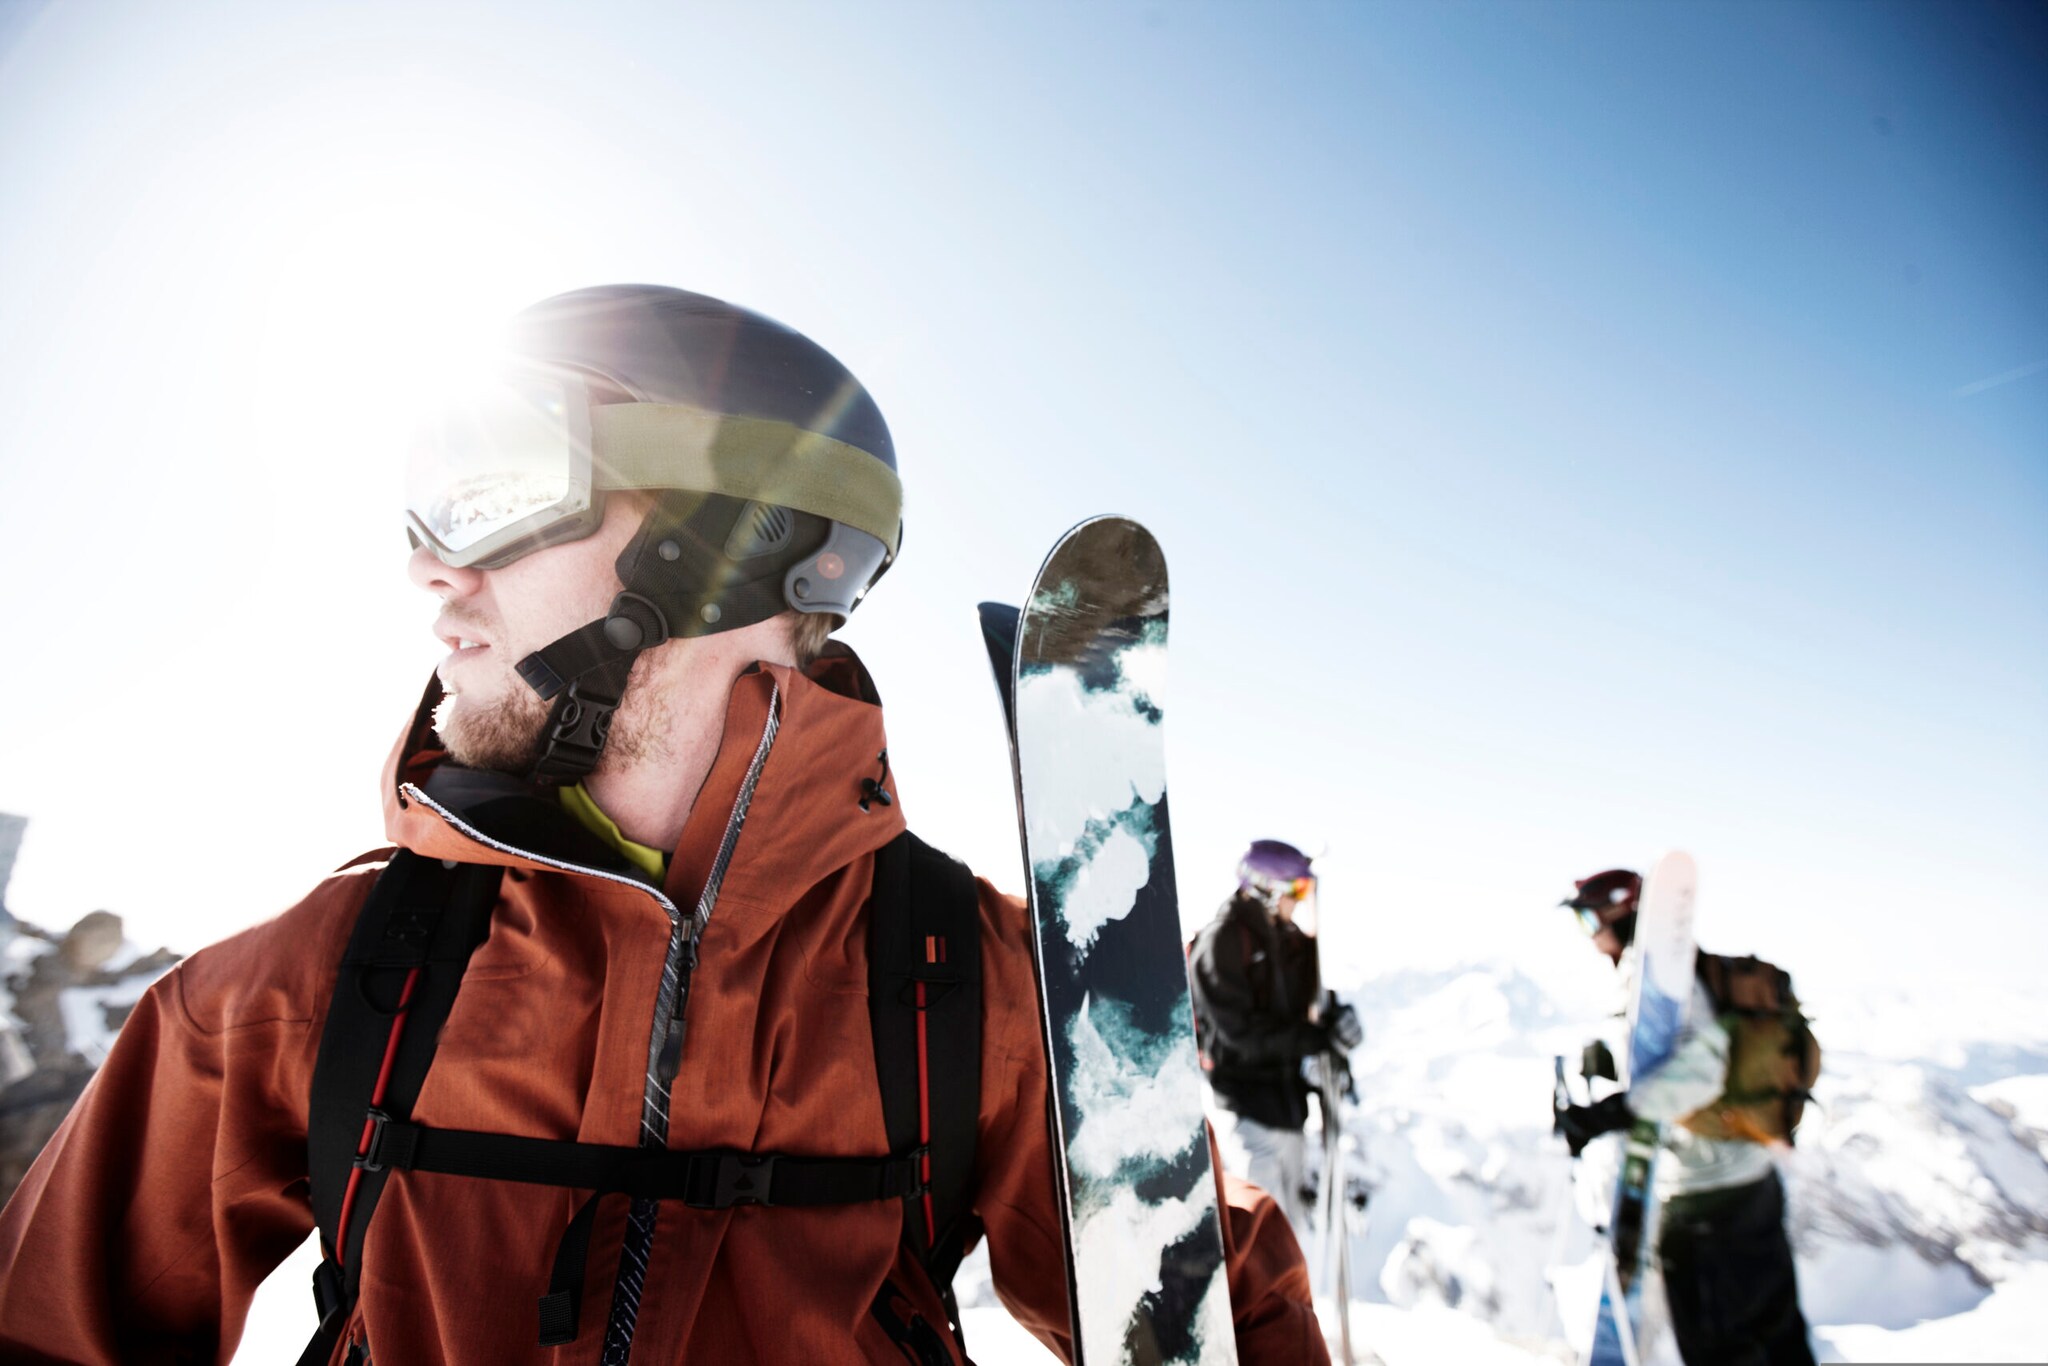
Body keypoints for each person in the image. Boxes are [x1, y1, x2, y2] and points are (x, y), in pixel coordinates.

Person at [0, 285, 1328, 1364]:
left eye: (493, 490)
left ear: (730, 542)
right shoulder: (320, 981)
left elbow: (1215, 1320)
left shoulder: (963, 987)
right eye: (426, 506)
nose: (427, 564)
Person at [1553, 868, 1816, 1366]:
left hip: (1706, 1203)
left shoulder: (1661, 976)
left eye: (1588, 920)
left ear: (1618, 912)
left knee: (1723, 1350)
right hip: (1748, 1182)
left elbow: (1703, 1072)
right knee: (1778, 1339)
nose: (1588, 936)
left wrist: (1617, 1111)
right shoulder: (1680, 971)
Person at [1188, 839, 1361, 1239]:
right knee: (1264, 1236)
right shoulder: (1222, 942)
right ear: (1266, 888)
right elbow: (1240, 1034)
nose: (1299, 901)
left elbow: (1309, 1003)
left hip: (1288, 1109)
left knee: (1290, 1233)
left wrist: (1338, 1023)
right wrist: (1318, 1038)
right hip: (1246, 1110)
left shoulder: (1286, 939)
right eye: (1295, 889)